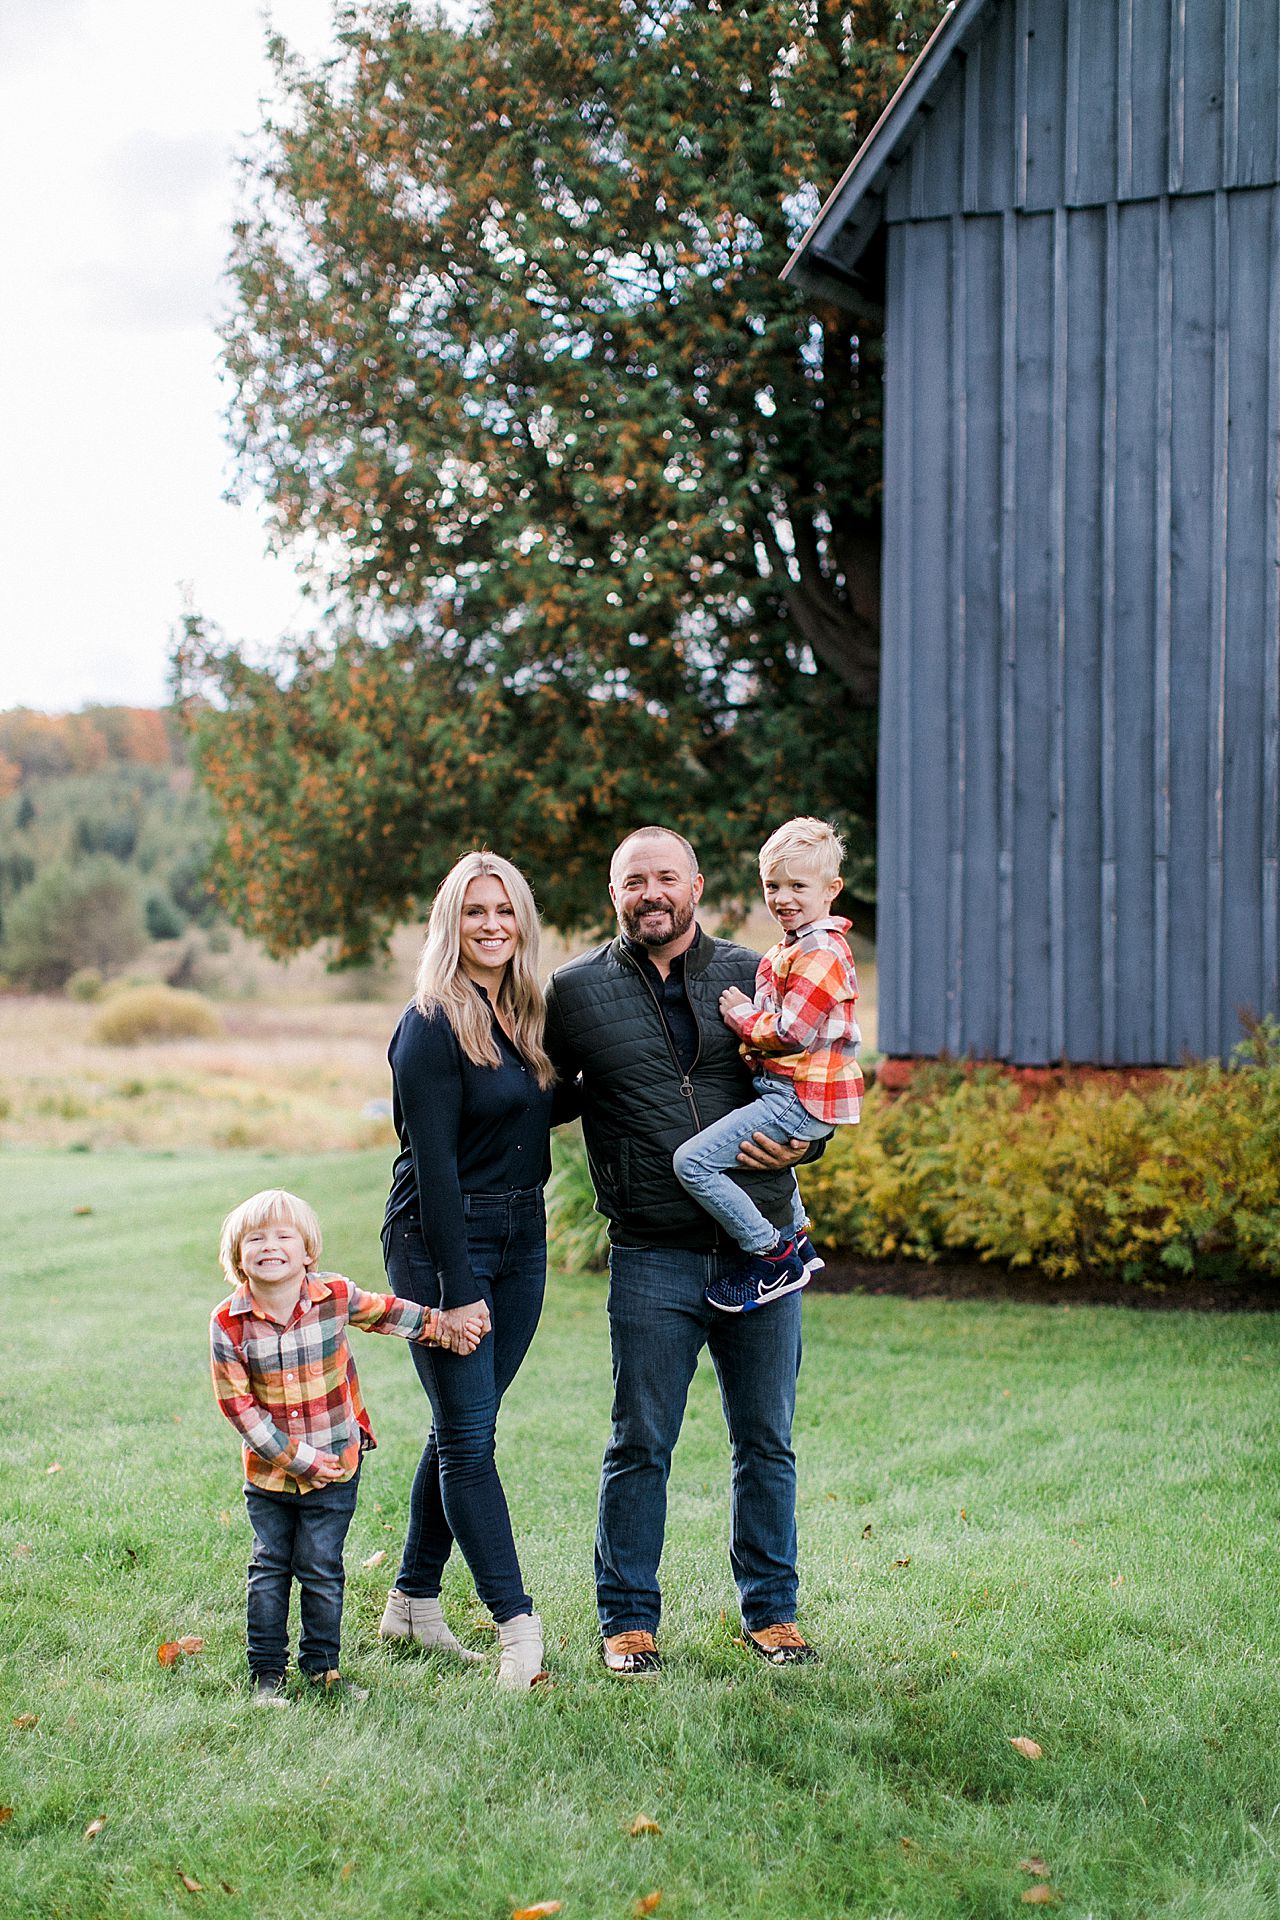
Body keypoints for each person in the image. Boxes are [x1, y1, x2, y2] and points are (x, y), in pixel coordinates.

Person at [544, 826, 823, 1675]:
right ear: (614, 892)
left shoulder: (755, 971)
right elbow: (536, 1097)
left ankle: (772, 1614)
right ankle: (628, 1622)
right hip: (653, 1256)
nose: (651, 892)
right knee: (640, 1443)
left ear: (697, 885)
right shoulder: (575, 992)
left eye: (666, 876)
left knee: (765, 1441)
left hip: (762, 1251)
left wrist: (809, 1151)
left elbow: (807, 1084)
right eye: (635, 880)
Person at [379, 851, 560, 1691]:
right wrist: (453, 1295)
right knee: (468, 1440)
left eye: (506, 910)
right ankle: (517, 1627)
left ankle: (412, 1601)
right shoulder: (430, 1022)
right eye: (474, 911)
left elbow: (538, 1108)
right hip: (439, 1242)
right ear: (449, 923)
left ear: (522, 920)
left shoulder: (518, 1011)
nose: (492, 924)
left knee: (466, 1425)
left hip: (522, 1236)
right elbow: (438, 1168)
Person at [209, 1187, 483, 1706]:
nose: (270, 1245)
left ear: (306, 1251)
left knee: (321, 1565)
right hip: (270, 1476)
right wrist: (297, 1459)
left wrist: (444, 1329)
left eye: (283, 1235)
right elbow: (238, 1407)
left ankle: (323, 1668)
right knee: (270, 1569)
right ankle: (267, 1675)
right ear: (237, 1256)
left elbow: (388, 1313)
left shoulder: (332, 1295)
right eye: (255, 1238)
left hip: (337, 1466)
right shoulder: (228, 1323)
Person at [673, 817, 863, 1313]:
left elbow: (790, 1032)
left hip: (799, 1094)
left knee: (692, 1163)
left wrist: (741, 1016)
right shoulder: (794, 946)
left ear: (831, 890)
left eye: (798, 885)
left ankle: (771, 1254)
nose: (783, 897)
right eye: (773, 885)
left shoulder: (820, 951)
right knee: (752, 1147)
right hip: (792, 1091)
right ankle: (799, 1240)